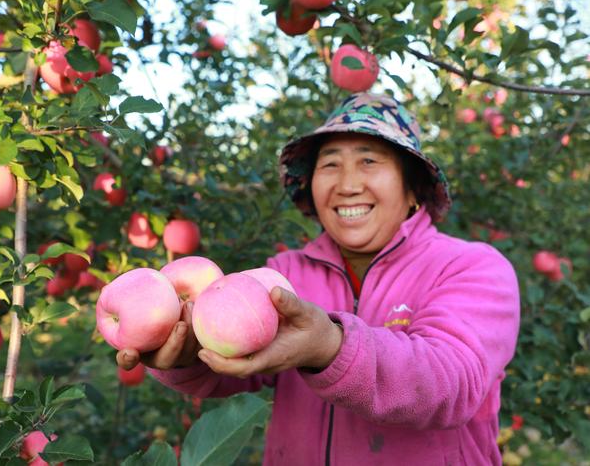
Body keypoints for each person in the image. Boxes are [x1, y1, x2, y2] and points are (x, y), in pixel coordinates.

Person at [116, 92, 520, 465]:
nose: (347, 184)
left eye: (369, 161)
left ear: (413, 187)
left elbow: (450, 384)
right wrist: (185, 355)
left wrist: (330, 347)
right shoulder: (284, 273)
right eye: (330, 164)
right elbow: (238, 361)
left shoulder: (472, 267)